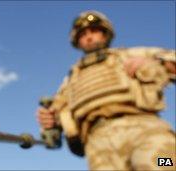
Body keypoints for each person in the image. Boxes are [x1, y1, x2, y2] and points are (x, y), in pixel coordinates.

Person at [37, 10, 176, 171]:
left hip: (144, 129)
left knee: (165, 164)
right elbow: (55, 116)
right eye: (83, 34)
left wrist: (155, 61)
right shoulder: (71, 79)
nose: (89, 36)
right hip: (97, 144)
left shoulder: (129, 55)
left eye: (94, 31)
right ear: (77, 40)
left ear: (105, 34)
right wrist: (50, 120)